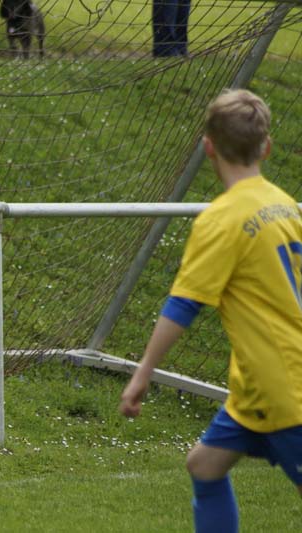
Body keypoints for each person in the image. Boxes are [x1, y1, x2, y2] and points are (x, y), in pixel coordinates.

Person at [119, 89, 302, 531]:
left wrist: (142, 375)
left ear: (208, 148)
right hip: (257, 386)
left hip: (286, 388)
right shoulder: (285, 204)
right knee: (204, 466)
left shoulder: (221, 219)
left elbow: (184, 304)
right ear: (267, 146)